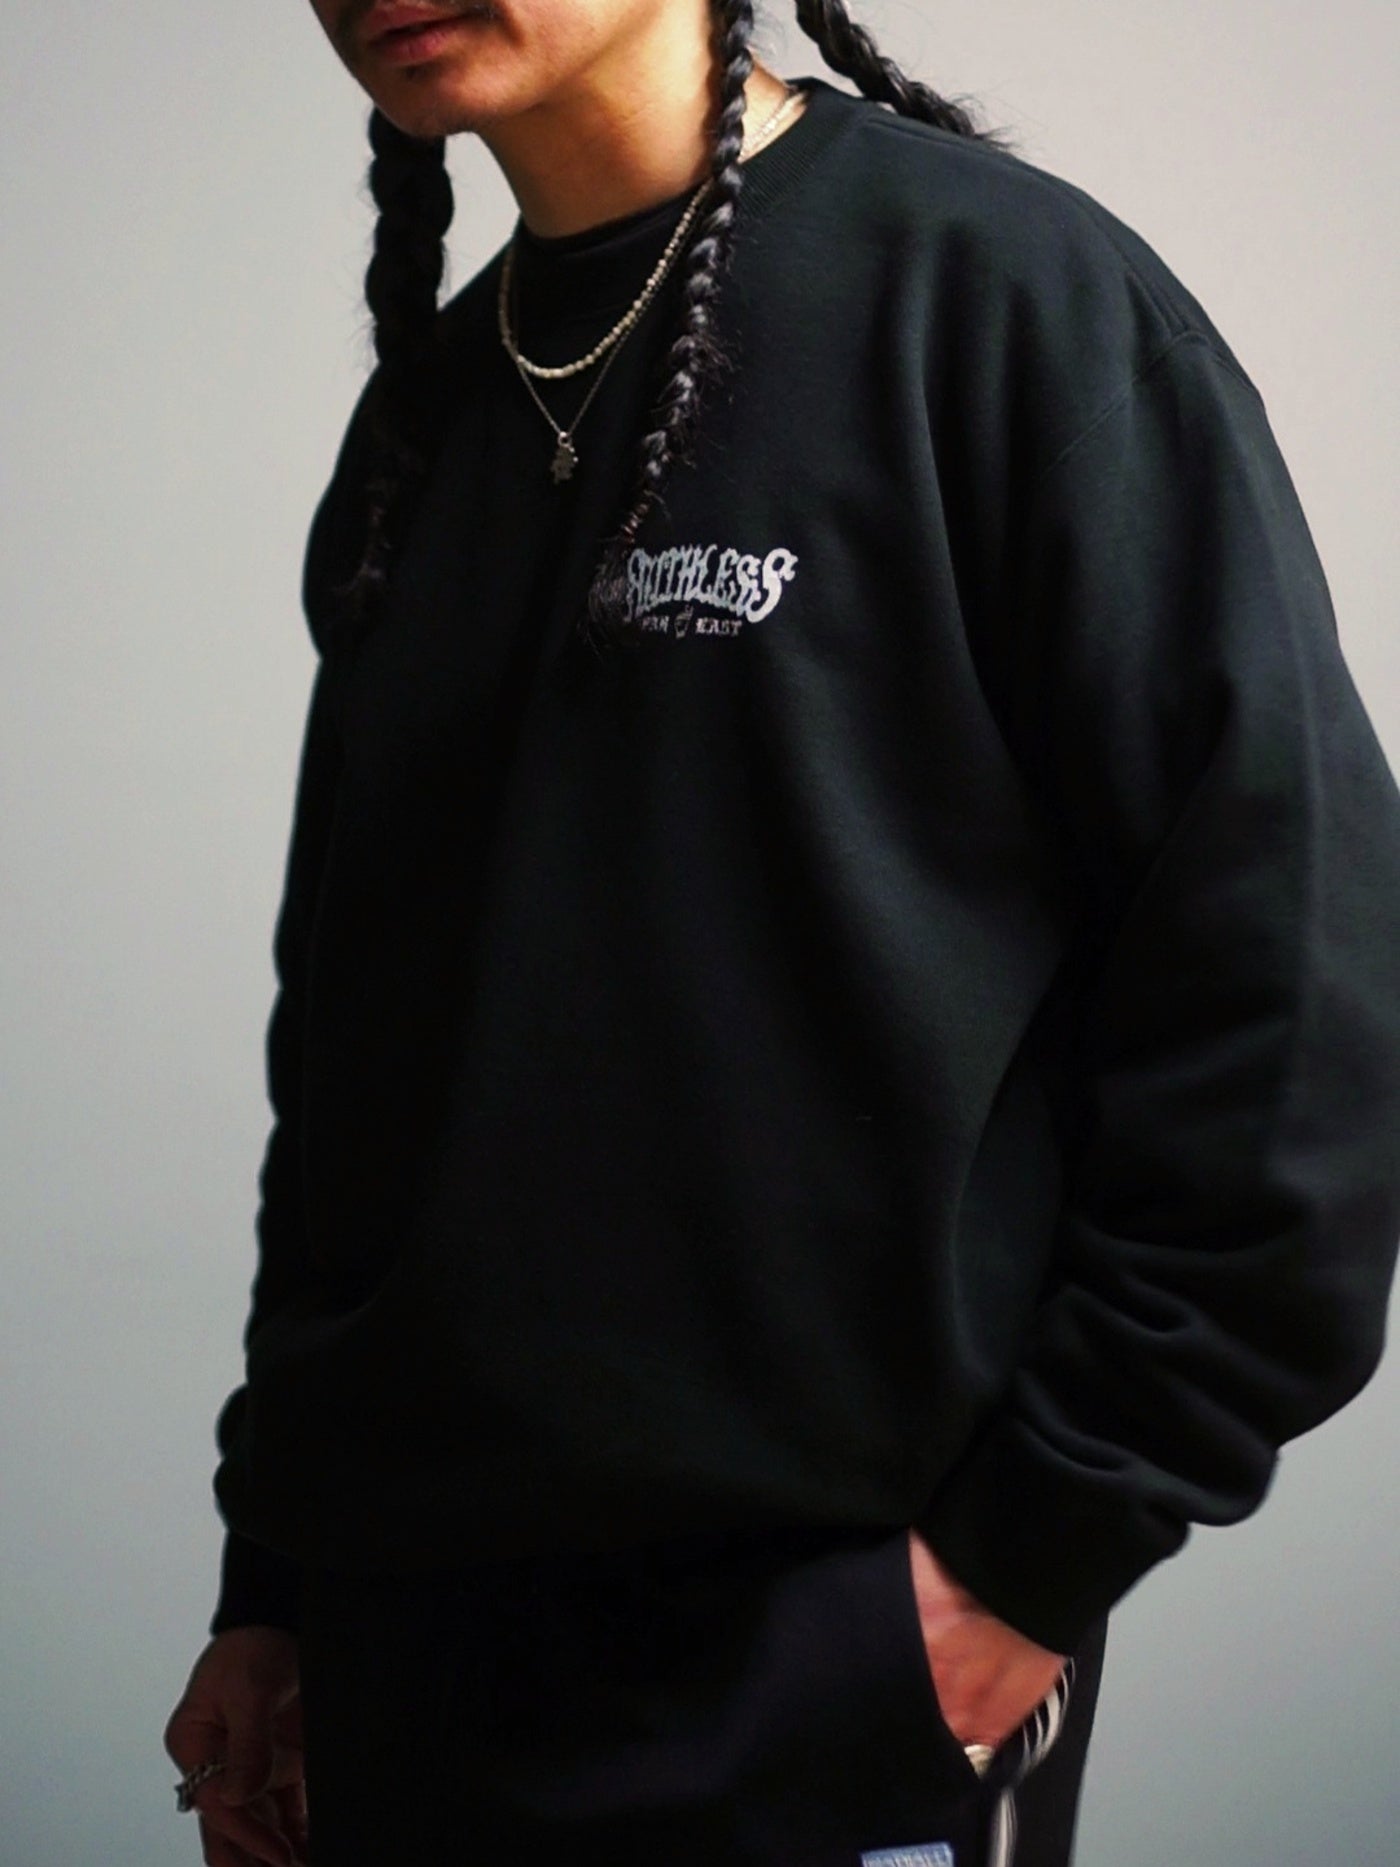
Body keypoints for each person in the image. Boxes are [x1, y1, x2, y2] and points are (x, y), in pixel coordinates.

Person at [162, 2, 1400, 1863]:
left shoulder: (997, 298)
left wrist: (1029, 1558)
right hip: (398, 1675)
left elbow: (1299, 981)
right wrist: (273, 1575)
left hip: (821, 1669)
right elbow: (349, 1067)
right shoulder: (428, 418)